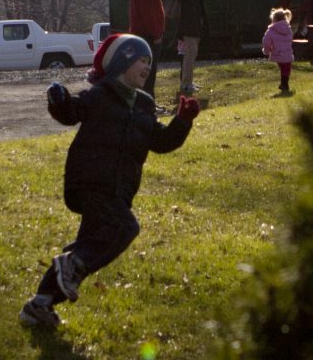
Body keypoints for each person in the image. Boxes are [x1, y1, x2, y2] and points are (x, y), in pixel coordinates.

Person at [23, 34, 198, 330]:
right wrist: (59, 100)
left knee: (87, 246)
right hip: (90, 181)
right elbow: (72, 112)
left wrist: (183, 121)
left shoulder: (144, 104)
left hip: (119, 189)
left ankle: (39, 304)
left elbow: (161, 142)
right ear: (121, 62)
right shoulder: (99, 94)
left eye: (149, 62)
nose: (147, 66)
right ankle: (71, 267)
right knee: (126, 228)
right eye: (141, 60)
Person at [127, 0, 168, 93]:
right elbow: (148, 14)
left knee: (146, 71)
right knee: (148, 71)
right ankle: (147, 102)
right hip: (148, 36)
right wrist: (156, 34)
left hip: (143, 34)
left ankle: (148, 100)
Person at [171, 0, 208, 97]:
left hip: (196, 21)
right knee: (189, 54)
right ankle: (185, 84)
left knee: (193, 53)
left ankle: (189, 82)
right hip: (187, 23)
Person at [260, 7, 297, 96]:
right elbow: (290, 40)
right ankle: (284, 84)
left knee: (283, 67)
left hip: (277, 53)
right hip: (287, 53)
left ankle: (284, 85)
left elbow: (266, 41)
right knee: (286, 69)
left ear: (274, 19)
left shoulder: (271, 30)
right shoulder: (288, 29)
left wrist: (267, 50)